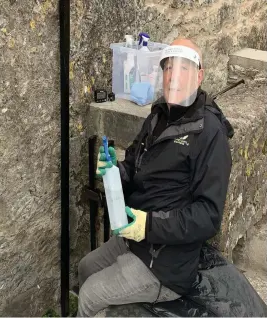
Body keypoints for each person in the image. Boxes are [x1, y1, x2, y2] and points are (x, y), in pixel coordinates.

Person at [77, 38, 233, 317]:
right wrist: (115, 170)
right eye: (168, 68)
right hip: (136, 238)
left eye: (184, 68)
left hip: (166, 262)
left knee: (90, 296)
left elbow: (208, 215)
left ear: (199, 76)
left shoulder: (210, 133)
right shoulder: (158, 115)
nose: (174, 76)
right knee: (85, 268)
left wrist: (147, 226)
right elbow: (135, 165)